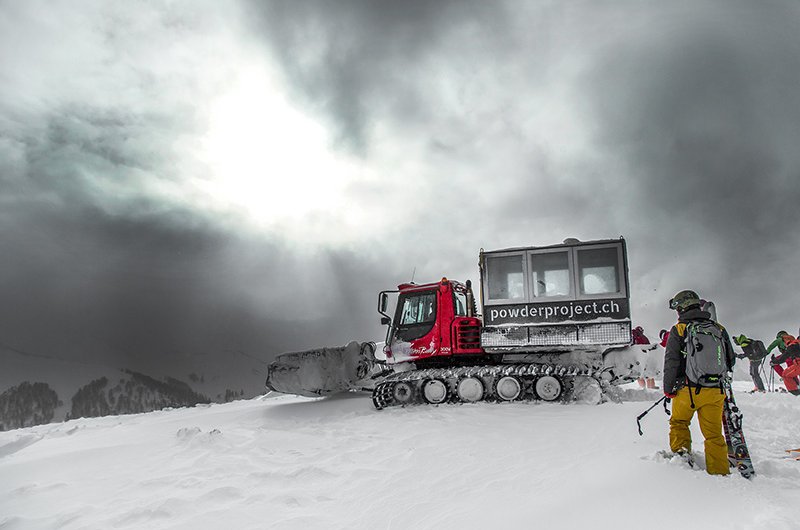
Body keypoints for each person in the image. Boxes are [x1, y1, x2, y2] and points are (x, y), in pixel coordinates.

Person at [663, 289, 736, 475]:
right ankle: (719, 472)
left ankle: (682, 464)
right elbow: (731, 360)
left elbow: (672, 362)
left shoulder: (679, 329)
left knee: (679, 422)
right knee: (713, 435)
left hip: (687, 391)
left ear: (681, 308)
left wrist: (668, 388)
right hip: (715, 391)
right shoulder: (718, 329)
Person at [767, 331, 800, 395]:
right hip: (794, 360)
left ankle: (795, 393)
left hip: (796, 362)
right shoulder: (795, 340)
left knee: (786, 374)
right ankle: (796, 385)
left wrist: (773, 360)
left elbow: (783, 357)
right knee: (792, 372)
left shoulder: (789, 344)